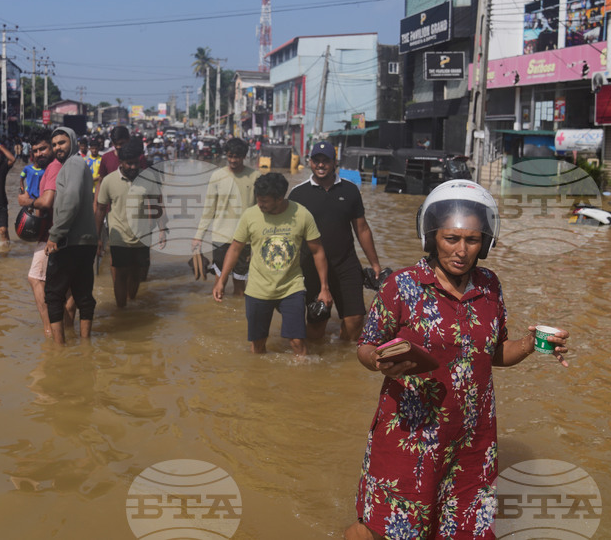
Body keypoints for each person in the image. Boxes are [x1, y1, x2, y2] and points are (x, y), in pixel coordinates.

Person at [344, 180, 570, 540]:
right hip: (410, 435)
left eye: (472, 240)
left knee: (465, 531)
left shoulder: (489, 286)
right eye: (451, 239)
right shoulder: (402, 286)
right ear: (432, 236)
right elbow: (366, 345)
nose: (461, 251)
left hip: (471, 439)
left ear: (485, 243)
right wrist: (378, 361)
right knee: (387, 529)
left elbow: (495, 353)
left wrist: (532, 344)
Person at [213, 172, 332, 357]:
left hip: (291, 287)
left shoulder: (301, 214)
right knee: (258, 345)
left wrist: (324, 288)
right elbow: (235, 249)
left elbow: (318, 251)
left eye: (264, 201)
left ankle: (303, 374)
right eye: (258, 199)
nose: (259, 204)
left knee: (297, 342)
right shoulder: (250, 215)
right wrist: (221, 280)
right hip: (257, 289)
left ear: (279, 198)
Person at [289, 141, 382, 343]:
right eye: (316, 160)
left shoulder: (350, 190)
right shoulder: (298, 194)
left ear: (334, 163)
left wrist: (375, 263)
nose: (321, 165)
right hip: (311, 266)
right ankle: (320, 359)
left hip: (346, 264)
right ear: (310, 162)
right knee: (317, 323)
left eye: (326, 160)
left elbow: (362, 229)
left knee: (355, 319)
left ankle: (341, 352)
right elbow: (290, 234)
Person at [95, 138, 166, 308]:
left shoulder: (148, 178)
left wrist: (162, 230)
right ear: (121, 162)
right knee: (120, 273)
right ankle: (122, 310)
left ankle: (131, 302)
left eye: (136, 163)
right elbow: (100, 209)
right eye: (129, 163)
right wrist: (96, 237)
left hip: (142, 236)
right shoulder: (109, 181)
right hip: (118, 236)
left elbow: (157, 205)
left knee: (136, 274)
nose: (133, 167)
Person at [44, 127, 98, 345]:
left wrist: (55, 234)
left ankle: (59, 348)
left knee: (53, 295)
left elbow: (72, 199)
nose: (58, 147)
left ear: (72, 142)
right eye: (54, 144)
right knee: (83, 295)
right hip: (84, 242)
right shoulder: (78, 164)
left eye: (62, 143)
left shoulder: (74, 164)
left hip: (70, 242)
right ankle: (85, 346)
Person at [17, 134, 74, 338]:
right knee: (67, 287)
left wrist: (26, 202)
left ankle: (50, 330)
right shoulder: (62, 166)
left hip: (52, 232)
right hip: (66, 232)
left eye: (43, 149)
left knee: (35, 278)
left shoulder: (53, 168)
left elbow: (47, 201)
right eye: (35, 150)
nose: (39, 153)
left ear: (52, 147)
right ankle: (68, 331)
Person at [193, 137, 258, 296]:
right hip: (221, 236)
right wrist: (198, 236)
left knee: (240, 283)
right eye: (230, 156)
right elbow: (209, 209)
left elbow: (261, 209)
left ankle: (237, 310)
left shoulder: (255, 177)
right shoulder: (217, 176)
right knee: (219, 280)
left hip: (245, 239)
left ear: (244, 156)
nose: (233, 160)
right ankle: (217, 309)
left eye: (237, 157)